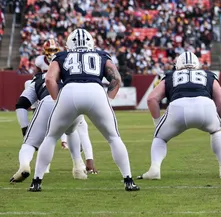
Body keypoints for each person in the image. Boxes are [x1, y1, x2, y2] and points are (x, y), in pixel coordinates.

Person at [28, 29, 140, 192]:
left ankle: (36, 181)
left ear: (69, 43)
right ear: (91, 42)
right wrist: (107, 100)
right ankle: (128, 180)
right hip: (95, 90)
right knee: (113, 137)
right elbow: (116, 78)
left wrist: (58, 99)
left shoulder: (61, 56)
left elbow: (50, 79)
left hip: (69, 91)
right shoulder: (101, 55)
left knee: (51, 137)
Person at [11, 40, 96, 183]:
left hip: (47, 102)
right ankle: (78, 166)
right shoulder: (70, 73)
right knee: (72, 131)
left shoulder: (37, 79)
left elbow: (21, 104)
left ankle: (25, 165)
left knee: (30, 143)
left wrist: (25, 128)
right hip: (71, 102)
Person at [140, 51, 221, 180]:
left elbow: (151, 99)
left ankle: (154, 169)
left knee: (160, 138)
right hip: (205, 106)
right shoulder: (208, 75)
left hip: (178, 107)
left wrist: (157, 123)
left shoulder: (170, 76)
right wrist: (218, 121)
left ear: (178, 64)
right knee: (216, 132)